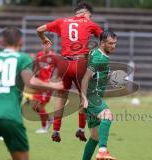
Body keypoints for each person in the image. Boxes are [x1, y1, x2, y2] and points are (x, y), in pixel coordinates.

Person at [0, 27, 63, 160]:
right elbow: (30, 82)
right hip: (10, 117)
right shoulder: (23, 58)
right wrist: (53, 85)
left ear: (2, 42)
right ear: (21, 42)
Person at [36, 1, 102, 142]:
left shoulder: (62, 22)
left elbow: (39, 29)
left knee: (61, 96)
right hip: (80, 62)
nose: (89, 18)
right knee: (84, 97)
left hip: (64, 63)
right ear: (84, 12)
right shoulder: (89, 23)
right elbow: (104, 39)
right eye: (89, 15)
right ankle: (81, 129)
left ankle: (55, 130)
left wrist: (44, 38)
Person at [81, 30, 117, 160]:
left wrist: (110, 76)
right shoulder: (99, 58)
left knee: (95, 136)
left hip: (92, 95)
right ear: (102, 43)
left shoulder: (95, 53)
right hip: (92, 96)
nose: (113, 46)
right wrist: (84, 97)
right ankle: (102, 152)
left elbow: (93, 73)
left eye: (115, 43)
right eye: (110, 43)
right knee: (107, 116)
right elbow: (85, 78)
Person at [24, 44, 56, 134]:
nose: (46, 47)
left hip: (47, 86)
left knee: (39, 106)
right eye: (44, 45)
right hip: (38, 84)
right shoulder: (39, 55)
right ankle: (49, 119)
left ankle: (44, 127)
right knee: (34, 106)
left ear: (50, 46)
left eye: (48, 45)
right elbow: (36, 68)